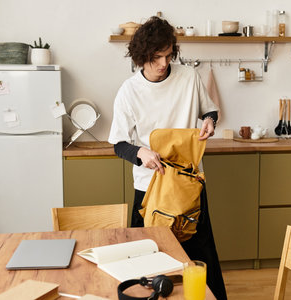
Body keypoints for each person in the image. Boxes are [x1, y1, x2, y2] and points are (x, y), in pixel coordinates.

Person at [108, 16, 227, 300]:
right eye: (156, 57)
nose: (163, 63)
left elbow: (210, 111)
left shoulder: (189, 78)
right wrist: (140, 152)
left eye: (168, 55)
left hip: (188, 184)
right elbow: (118, 144)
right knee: (145, 256)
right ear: (141, 58)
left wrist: (210, 121)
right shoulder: (129, 91)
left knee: (201, 253)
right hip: (149, 187)